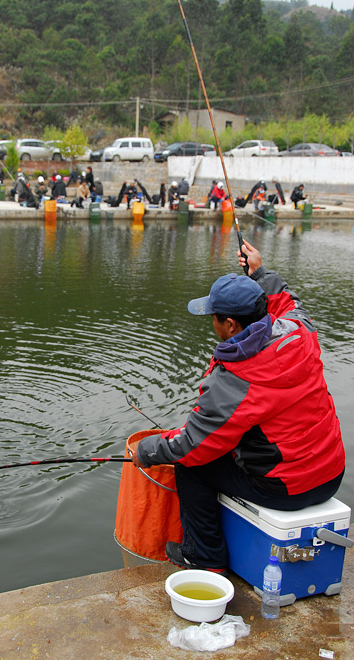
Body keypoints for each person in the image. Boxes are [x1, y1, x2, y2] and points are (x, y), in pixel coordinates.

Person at [130, 239, 345, 574]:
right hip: (331, 473)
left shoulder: (235, 381)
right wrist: (258, 271)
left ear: (230, 325)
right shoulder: (301, 332)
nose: (212, 324)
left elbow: (193, 446)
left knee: (191, 465)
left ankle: (204, 556)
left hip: (287, 487)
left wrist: (146, 450)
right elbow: (288, 300)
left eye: (214, 318)